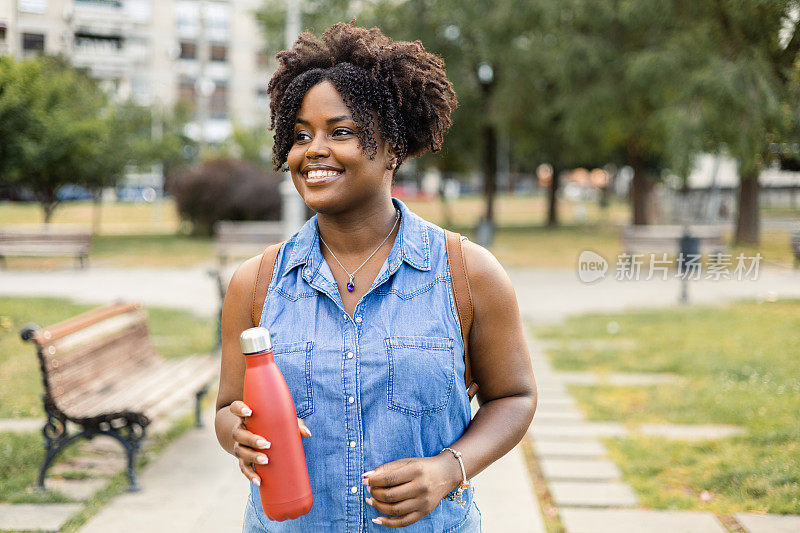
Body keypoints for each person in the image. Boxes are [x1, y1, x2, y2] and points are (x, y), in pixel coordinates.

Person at [214, 22, 536, 532]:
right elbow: (228, 409)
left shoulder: (467, 273)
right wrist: (239, 435)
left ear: (394, 148)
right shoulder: (256, 283)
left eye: (340, 131)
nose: (313, 150)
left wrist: (448, 469)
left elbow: (514, 397)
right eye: (301, 135)